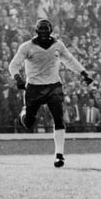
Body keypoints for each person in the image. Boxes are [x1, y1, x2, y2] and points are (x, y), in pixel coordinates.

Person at [8, 19, 94, 167]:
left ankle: (59, 155)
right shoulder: (27, 47)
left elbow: (69, 60)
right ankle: (25, 111)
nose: (43, 35)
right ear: (36, 32)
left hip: (53, 85)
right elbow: (13, 65)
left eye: (46, 32)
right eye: (41, 32)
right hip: (34, 87)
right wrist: (18, 78)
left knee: (58, 118)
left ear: (50, 31)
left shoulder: (58, 45)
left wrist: (83, 73)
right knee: (28, 123)